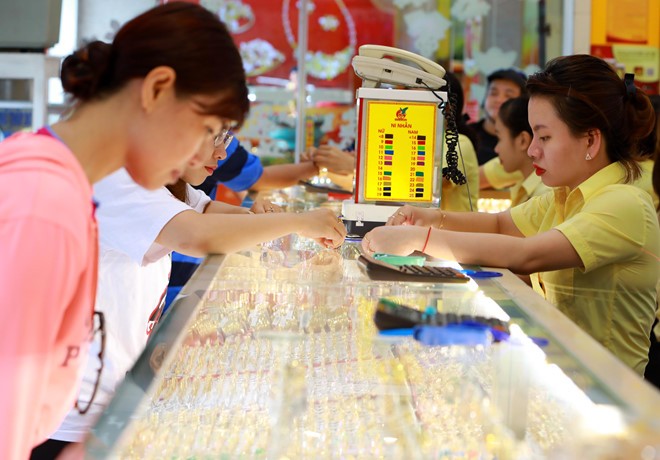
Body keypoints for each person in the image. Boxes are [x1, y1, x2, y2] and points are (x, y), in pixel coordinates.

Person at [0, 3, 250, 460]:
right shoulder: (46, 201)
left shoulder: (57, 177)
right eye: (206, 129)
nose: (203, 154)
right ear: (157, 89)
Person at [35, 129, 345, 458]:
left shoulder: (165, 186)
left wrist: (270, 219)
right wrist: (297, 222)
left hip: (108, 395)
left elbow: (208, 213)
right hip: (67, 412)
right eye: (213, 134)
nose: (221, 153)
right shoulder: (117, 182)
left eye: (226, 137)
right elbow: (195, 235)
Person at [363, 54, 659, 375]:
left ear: (590, 139)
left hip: (608, 388)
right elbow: (501, 224)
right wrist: (431, 218)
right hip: (565, 370)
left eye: (544, 137)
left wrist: (420, 238)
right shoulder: (565, 195)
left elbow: (526, 255)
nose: (532, 150)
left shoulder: (624, 203)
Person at [493, 96, 551, 206]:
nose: (496, 149)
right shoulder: (525, 186)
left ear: (522, 140)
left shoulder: (545, 195)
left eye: (499, 138)